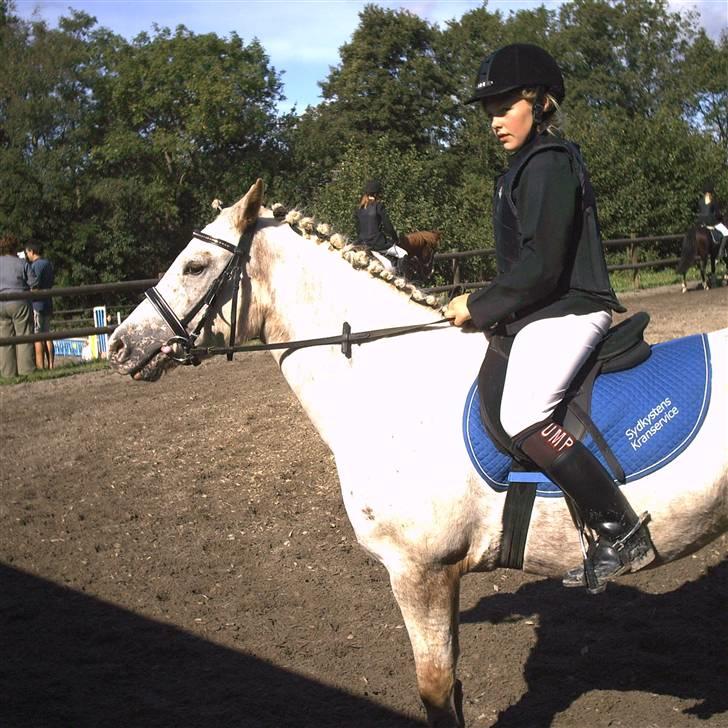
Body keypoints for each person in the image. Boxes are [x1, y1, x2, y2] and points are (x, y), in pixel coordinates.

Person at [444, 43, 655, 593]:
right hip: (546, 311)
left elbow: (543, 265)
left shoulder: (549, 163)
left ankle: (620, 527)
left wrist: (480, 304)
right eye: (488, 110)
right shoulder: (522, 168)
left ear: (539, 103)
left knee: (523, 414)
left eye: (505, 105)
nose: (495, 120)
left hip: (573, 310)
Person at [0, 234, 37, 377]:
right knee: (24, 336)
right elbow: (34, 283)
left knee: (5, 340)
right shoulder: (21, 263)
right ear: (14, 248)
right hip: (19, 302)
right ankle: (26, 371)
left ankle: (7, 373)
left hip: (1, 303)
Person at [355, 180, 407, 268]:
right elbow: (388, 227)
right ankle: (399, 278)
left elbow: (358, 229)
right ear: (376, 194)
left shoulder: (359, 209)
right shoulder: (379, 206)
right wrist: (395, 239)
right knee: (403, 254)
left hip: (362, 243)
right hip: (377, 244)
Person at [24, 241, 55, 369]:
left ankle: (40, 366)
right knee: (48, 335)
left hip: (37, 304)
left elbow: (34, 285)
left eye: (27, 253)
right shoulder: (48, 264)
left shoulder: (35, 266)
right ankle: (51, 365)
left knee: (38, 336)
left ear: (32, 251)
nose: (27, 255)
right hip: (48, 302)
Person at [696, 182, 728, 260]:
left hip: (702, 223)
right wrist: (721, 217)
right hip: (712, 222)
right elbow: (717, 214)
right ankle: (721, 251)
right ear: (711, 192)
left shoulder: (700, 201)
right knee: (726, 232)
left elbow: (701, 212)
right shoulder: (713, 201)